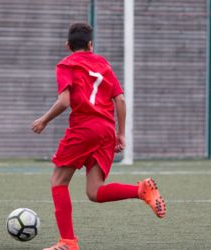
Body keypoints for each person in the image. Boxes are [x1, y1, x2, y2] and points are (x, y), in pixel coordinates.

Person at [32, 23, 166, 250]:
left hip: (84, 128)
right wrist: (120, 133)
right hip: (105, 130)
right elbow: (120, 100)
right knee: (94, 191)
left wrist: (43, 120)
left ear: (67, 45)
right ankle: (140, 190)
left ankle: (68, 242)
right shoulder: (103, 64)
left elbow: (64, 101)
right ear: (91, 45)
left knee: (58, 181)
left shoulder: (66, 64)